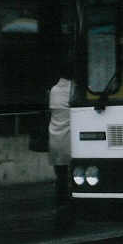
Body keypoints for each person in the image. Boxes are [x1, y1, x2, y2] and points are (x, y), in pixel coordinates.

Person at [48, 62, 74, 229]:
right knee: (72, 178)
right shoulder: (73, 90)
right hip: (69, 139)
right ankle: (68, 209)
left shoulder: (53, 90)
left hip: (55, 139)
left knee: (61, 177)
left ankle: (59, 206)